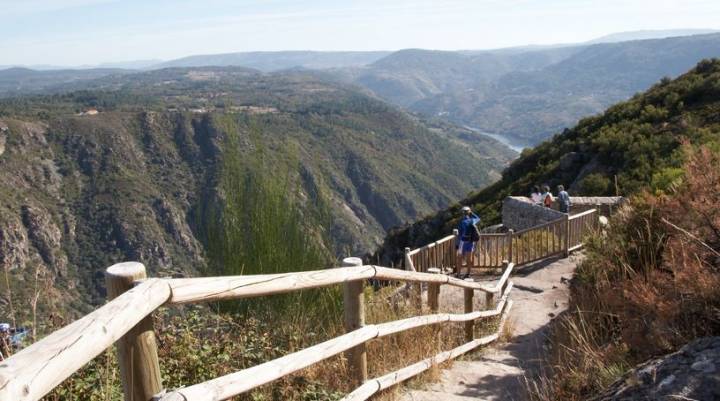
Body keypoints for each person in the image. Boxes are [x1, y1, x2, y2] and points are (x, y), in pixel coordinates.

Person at [456, 206, 481, 279]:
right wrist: (471, 212)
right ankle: (468, 274)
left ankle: (458, 274)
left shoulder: (462, 222)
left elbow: (460, 234)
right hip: (470, 242)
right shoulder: (472, 220)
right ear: (468, 213)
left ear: (462, 213)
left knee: (460, 258)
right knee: (469, 259)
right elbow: (478, 218)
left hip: (463, 242)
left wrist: (457, 244)